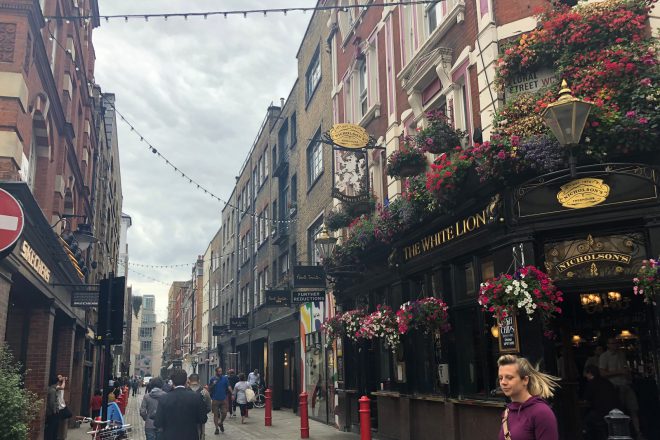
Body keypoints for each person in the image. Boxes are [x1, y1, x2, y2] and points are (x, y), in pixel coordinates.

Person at [497, 354, 560, 440]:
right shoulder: (507, 413)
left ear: (525, 380)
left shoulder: (541, 412)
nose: (503, 382)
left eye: (509, 378)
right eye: (500, 378)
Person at [599, 337, 643, 438]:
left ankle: (638, 433)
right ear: (608, 345)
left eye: (616, 343)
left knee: (633, 409)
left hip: (626, 384)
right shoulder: (604, 356)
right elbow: (602, 373)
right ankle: (620, 434)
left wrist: (628, 375)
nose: (615, 345)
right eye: (613, 343)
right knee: (619, 410)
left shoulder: (621, 354)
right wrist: (619, 372)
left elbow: (625, 368)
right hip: (614, 386)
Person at [154, 370, 208, 440]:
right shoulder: (196, 397)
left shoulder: (164, 398)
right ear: (186, 381)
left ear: (172, 382)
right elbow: (203, 419)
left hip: (170, 436)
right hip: (190, 436)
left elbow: (157, 423)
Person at [583, 365, 619, 440]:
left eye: (586, 374)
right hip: (614, 411)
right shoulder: (607, 382)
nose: (585, 376)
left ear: (590, 373)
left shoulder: (591, 384)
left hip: (601, 413)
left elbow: (586, 399)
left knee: (586, 421)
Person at [189, 374, 212, 439]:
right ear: (199, 380)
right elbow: (209, 407)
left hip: (188, 420)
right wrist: (202, 412)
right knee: (200, 434)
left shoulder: (185, 392)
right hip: (200, 419)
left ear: (189, 381)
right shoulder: (204, 392)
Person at [208, 367, 230, 434]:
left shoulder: (225, 378)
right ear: (216, 372)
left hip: (223, 399)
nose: (220, 373)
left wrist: (232, 393)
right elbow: (209, 388)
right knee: (216, 415)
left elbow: (228, 386)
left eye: (221, 371)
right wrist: (213, 384)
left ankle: (221, 423)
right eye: (219, 371)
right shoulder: (212, 379)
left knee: (224, 413)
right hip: (215, 399)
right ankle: (216, 428)